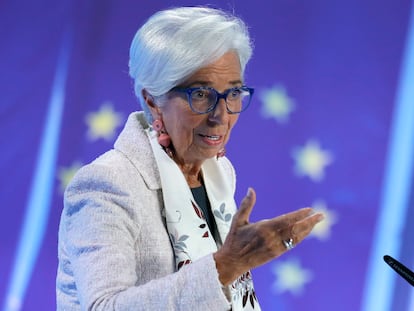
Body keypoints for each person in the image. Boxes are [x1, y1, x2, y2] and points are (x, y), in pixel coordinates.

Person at [56, 6, 324, 311]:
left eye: (233, 93)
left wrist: (231, 264)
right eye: (200, 95)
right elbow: (103, 307)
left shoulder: (218, 172)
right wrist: (225, 266)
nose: (221, 116)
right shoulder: (107, 183)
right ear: (153, 101)